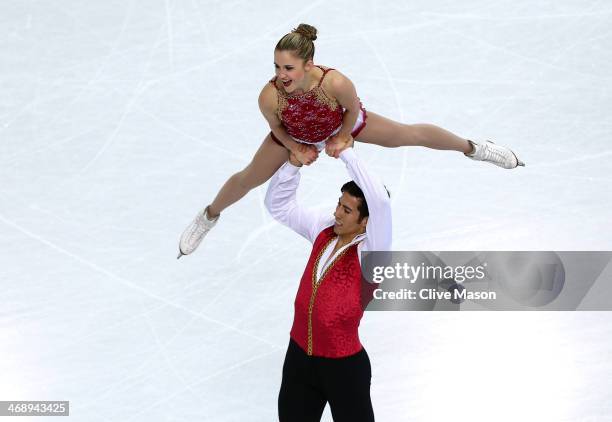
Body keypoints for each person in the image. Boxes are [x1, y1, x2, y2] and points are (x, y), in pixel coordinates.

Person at [177, 23, 524, 259]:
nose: (281, 75)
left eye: (288, 68)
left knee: (408, 134)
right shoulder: (269, 96)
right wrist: (295, 147)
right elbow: (276, 126)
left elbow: (352, 107)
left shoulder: (334, 82)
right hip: (294, 135)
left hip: (340, 123)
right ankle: (208, 216)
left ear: (308, 64)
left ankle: (475, 148)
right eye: (277, 67)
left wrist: (343, 137)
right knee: (248, 178)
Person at [266, 136, 388, 422]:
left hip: (343, 369)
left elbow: (380, 202)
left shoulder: (373, 254)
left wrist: (347, 154)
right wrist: (292, 165)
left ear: (366, 221)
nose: (337, 213)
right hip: (298, 360)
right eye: (338, 205)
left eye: (347, 210)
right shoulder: (323, 228)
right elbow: (279, 207)